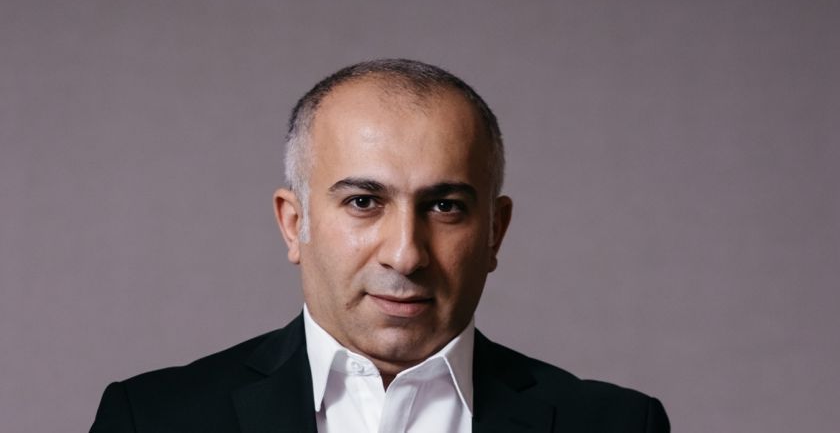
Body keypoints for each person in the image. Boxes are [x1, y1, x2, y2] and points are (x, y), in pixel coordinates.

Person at [90, 58, 670, 432]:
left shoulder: (619, 425)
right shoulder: (152, 420)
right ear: (294, 223)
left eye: (445, 206)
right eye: (364, 202)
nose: (406, 254)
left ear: (495, 231)